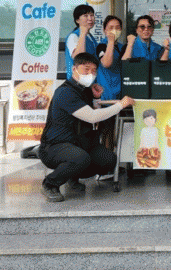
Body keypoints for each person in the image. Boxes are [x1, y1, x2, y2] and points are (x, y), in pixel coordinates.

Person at [39, 52, 134, 202]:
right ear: (74, 69)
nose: (91, 74)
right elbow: (92, 116)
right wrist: (120, 105)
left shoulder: (84, 90)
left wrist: (96, 97)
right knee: (80, 158)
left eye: (94, 70)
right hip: (55, 146)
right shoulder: (65, 92)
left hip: (78, 143)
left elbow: (92, 113)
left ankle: (72, 176)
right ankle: (50, 184)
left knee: (108, 159)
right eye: (86, 69)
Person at [96, 15, 126, 101]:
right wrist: (111, 41)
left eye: (117, 27)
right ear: (105, 30)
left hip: (122, 93)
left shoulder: (122, 47)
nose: (114, 30)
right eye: (111, 28)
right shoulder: (101, 46)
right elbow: (106, 63)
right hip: (107, 94)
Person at [65, 4, 98, 79]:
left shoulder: (90, 37)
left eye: (92, 15)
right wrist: (82, 33)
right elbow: (79, 58)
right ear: (77, 20)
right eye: (85, 16)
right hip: (77, 81)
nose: (90, 19)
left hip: (90, 80)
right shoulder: (73, 36)